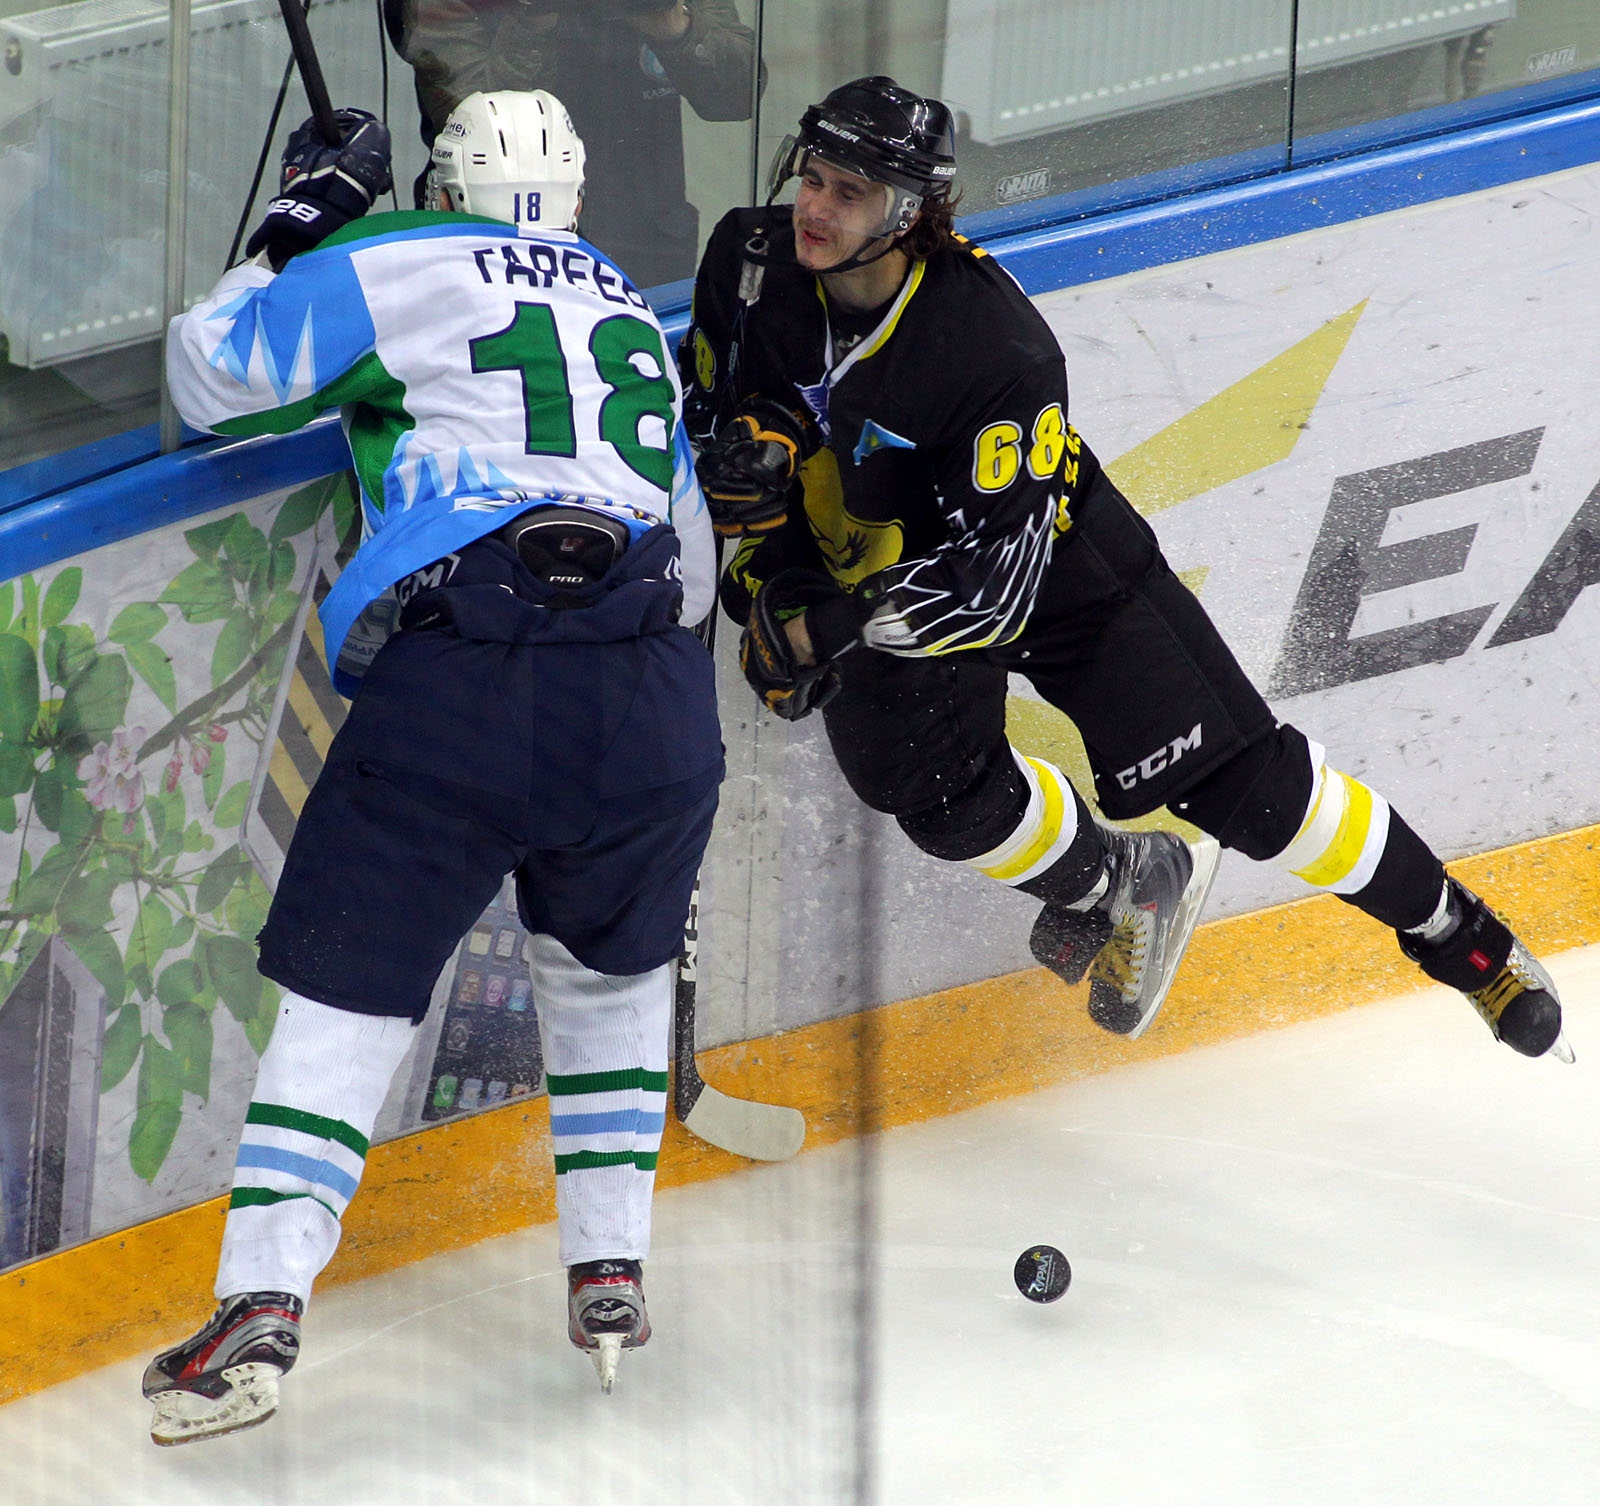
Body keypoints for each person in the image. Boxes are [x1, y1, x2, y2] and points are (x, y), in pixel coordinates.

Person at [681, 75, 1571, 1065]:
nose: (814, 207)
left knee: (1250, 795)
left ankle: (1463, 939)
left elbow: (993, 592)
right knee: (936, 798)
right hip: (872, 568)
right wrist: (770, 562)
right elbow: (715, 423)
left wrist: (822, 627)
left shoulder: (993, 346)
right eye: (813, 176)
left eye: (850, 192)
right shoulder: (748, 260)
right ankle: (1120, 882)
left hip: (1054, 573)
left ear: (910, 213)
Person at [143, 88, 722, 1444]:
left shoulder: (398, 256)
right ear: (576, 201)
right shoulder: (625, 309)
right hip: (653, 697)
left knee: (347, 995)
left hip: (470, 679)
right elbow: (694, 567)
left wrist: (300, 224)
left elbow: (209, 374)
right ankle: (610, 1270)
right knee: (608, 977)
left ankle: (262, 1302)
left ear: (443, 191)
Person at [387, 0, 758, 286]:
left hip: (645, 244)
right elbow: (467, 123)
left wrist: (672, 24)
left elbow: (741, 96)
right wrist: (534, 16)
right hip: (496, 252)